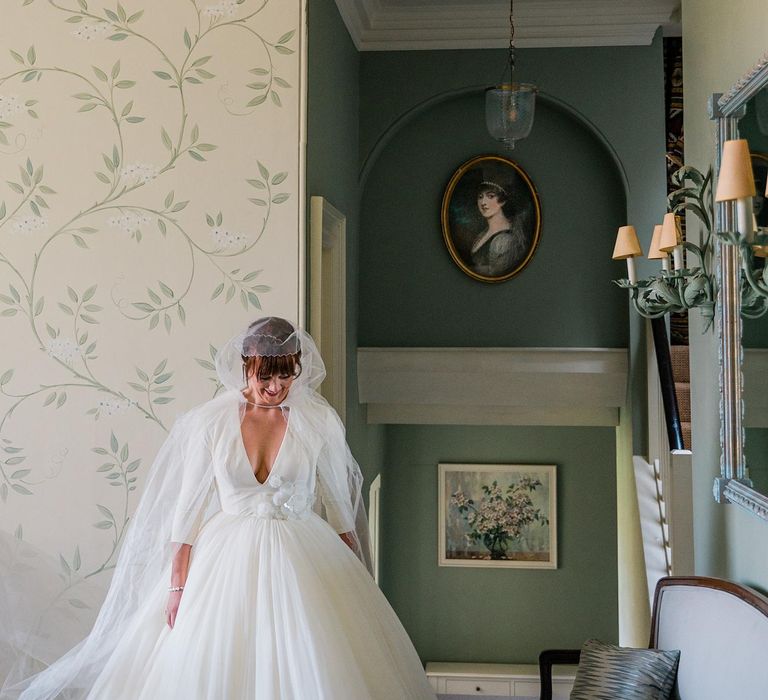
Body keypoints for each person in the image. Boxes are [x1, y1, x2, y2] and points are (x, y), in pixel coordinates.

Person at [2, 317, 436, 700]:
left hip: (305, 554)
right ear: (245, 366)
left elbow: (341, 506)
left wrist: (358, 578)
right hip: (225, 558)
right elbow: (187, 509)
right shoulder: (209, 422)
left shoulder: (316, 421)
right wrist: (176, 589)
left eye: (284, 376)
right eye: (265, 376)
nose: (274, 387)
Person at [470, 179, 530, 278]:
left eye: (490, 196)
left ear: (502, 201)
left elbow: (494, 275)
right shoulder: (482, 234)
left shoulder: (505, 239)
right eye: (480, 197)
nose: (483, 202)